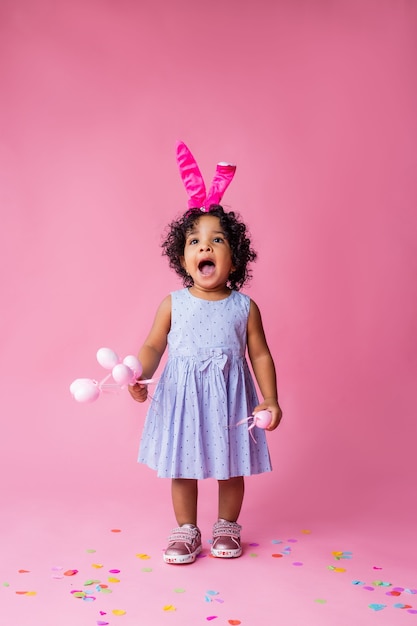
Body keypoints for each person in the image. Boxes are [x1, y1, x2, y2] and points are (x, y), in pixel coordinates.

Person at [129, 143, 282, 565]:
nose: (205, 247)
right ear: (183, 257)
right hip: (182, 398)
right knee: (182, 464)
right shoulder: (172, 303)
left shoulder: (243, 306)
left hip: (231, 401)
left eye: (217, 240)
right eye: (195, 241)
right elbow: (154, 344)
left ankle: (227, 526)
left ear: (235, 258)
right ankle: (186, 529)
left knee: (231, 466)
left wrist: (270, 399)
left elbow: (261, 355)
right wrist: (136, 372)